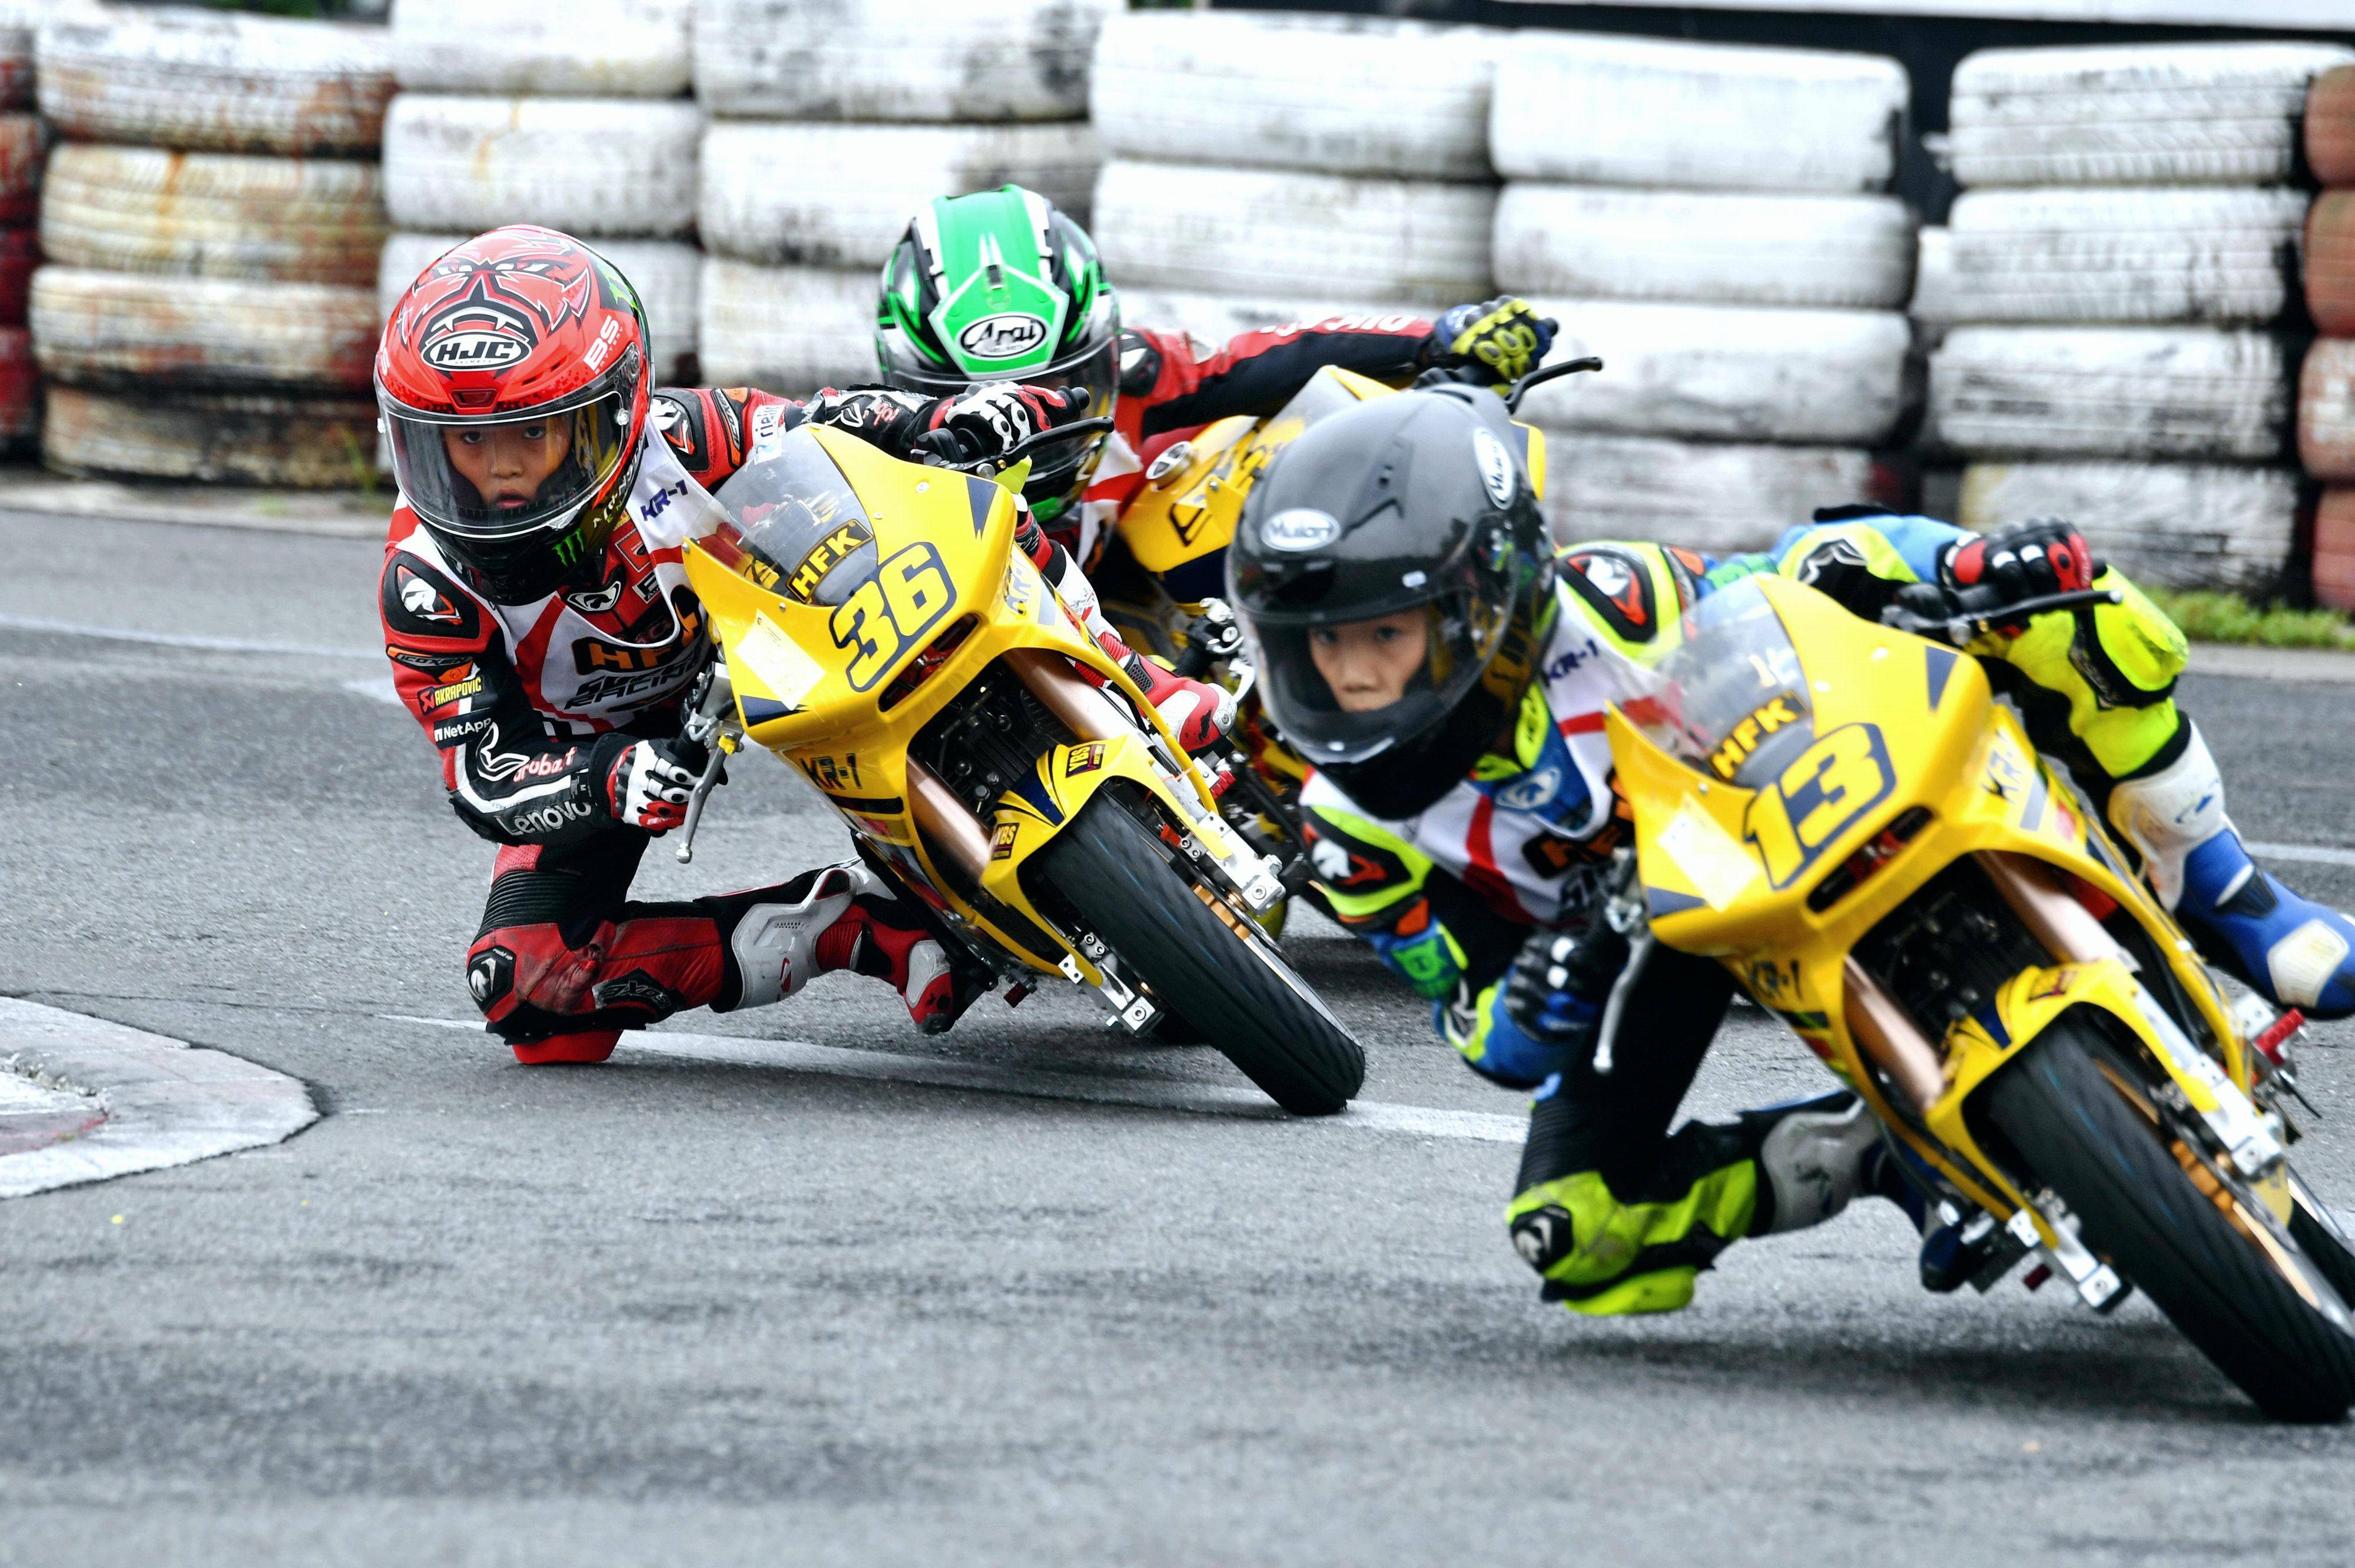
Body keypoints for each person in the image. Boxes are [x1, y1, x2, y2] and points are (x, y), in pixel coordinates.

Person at [1225, 386, 2355, 1317]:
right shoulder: (1351, 835)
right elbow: (1483, 1033)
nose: (1352, 676)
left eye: (1386, 632)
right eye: (1320, 645)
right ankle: (1872, 1153)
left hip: (1784, 795)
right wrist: (1544, 990)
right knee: (1572, 1231)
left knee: (2072, 606)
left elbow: (1795, 571)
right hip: (1649, 947)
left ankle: (2237, 900)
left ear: (1489, 596)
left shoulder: (1611, 605)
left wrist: (1958, 568)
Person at [376, 225, 1099, 1065]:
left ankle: (1135, 683)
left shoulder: (679, 436)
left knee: (961, 498)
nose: (500, 473)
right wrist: (606, 776)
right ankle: (857, 924)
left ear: (609, 416)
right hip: (600, 748)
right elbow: (481, 771)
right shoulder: (425, 584)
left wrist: (948, 418)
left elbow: (832, 423)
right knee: (526, 985)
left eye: (529, 436)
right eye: (469, 441)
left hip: (757, 642)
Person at [872, 184, 1553, 740]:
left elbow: (1271, 357)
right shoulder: (870, 455)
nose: (1032, 429)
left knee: (1225, 455)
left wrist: (1437, 340)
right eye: (984, 405)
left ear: (1104, 352)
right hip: (989, 658)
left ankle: (1303, 694)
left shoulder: (1140, 374)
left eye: (1061, 388)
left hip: (1133, 611)